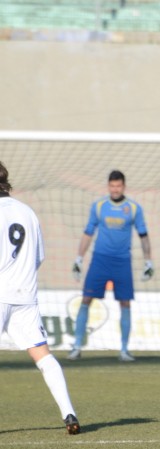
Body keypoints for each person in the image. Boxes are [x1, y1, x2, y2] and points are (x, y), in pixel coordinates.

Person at [0, 161, 80, 434]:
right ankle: (69, 413)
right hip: (26, 295)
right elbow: (39, 257)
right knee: (44, 357)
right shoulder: (27, 212)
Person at [69, 170, 152, 362]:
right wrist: (79, 259)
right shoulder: (98, 207)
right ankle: (76, 346)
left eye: (119, 186)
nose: (115, 189)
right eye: (112, 186)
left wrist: (148, 261)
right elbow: (88, 232)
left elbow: (143, 235)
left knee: (125, 303)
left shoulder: (133, 208)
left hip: (122, 261)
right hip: (100, 260)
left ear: (124, 187)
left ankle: (124, 350)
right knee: (86, 299)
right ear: (108, 186)